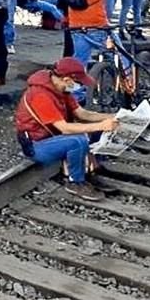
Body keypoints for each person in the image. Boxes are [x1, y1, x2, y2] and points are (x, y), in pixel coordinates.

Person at [15, 57, 120, 201]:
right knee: (77, 140)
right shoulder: (40, 95)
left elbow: (81, 113)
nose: (79, 86)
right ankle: (75, 182)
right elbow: (64, 128)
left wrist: (112, 117)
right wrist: (101, 124)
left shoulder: (60, 89)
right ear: (66, 79)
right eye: (78, 82)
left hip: (53, 137)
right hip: (37, 145)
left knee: (96, 130)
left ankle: (91, 170)